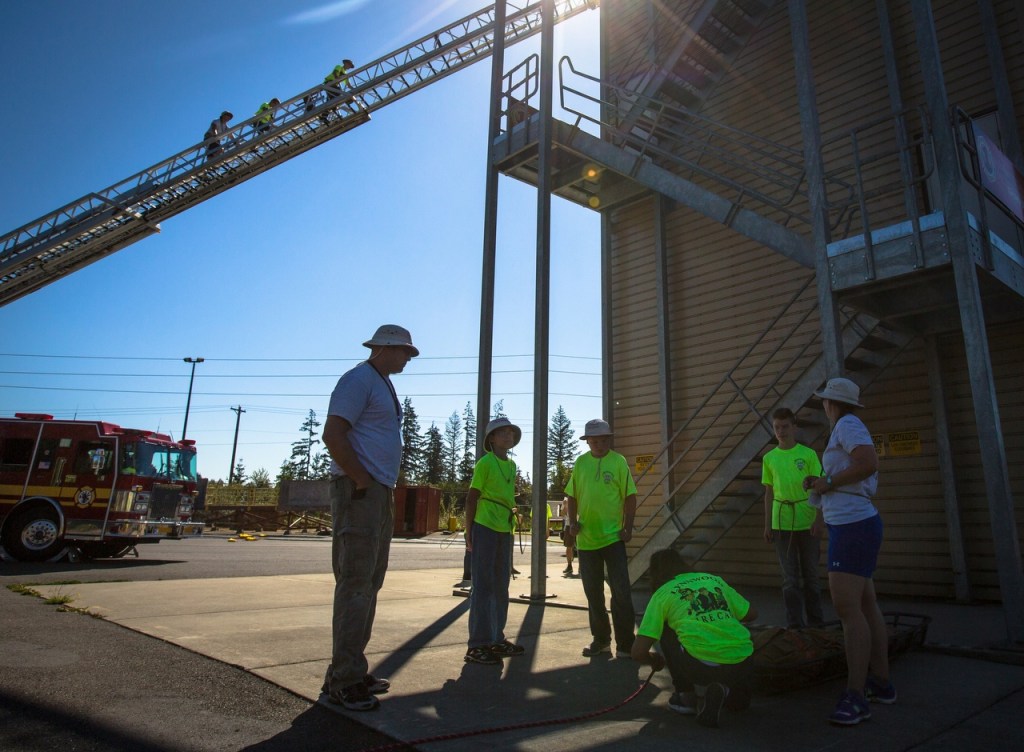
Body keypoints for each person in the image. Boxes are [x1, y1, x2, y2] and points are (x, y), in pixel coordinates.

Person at [320, 324, 418, 711]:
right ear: (384, 349)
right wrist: (361, 479)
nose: (408, 359)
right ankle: (344, 682)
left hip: (377, 492)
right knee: (356, 584)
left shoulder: (380, 382)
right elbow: (333, 434)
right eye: (404, 352)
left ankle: (350, 670)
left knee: (369, 584)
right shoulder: (358, 379)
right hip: (359, 491)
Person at [803, 377, 894, 726]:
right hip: (852, 524)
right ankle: (881, 683)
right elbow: (847, 475)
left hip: (855, 528)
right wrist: (820, 487)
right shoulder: (845, 426)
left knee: (847, 608)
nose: (823, 405)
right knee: (866, 605)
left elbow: (868, 462)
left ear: (831, 403)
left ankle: (856, 696)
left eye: (824, 401)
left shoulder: (847, 424)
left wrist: (829, 482)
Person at [631, 549, 757, 728]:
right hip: (743, 662)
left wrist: (654, 660)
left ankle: (686, 697)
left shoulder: (662, 593)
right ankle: (727, 692)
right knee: (739, 706)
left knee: (666, 628)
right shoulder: (713, 581)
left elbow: (638, 652)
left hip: (700, 667)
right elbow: (751, 614)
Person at [564, 419, 637, 658]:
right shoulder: (580, 463)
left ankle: (626, 644)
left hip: (614, 537)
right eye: (594, 441)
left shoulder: (618, 461)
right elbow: (571, 496)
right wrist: (572, 524)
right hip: (586, 540)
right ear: (587, 442)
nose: (599, 444)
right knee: (593, 593)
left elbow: (630, 496)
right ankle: (601, 641)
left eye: (603, 440)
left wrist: (628, 527)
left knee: (621, 592)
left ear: (609, 439)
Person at [463, 417, 526, 665]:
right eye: (502, 433)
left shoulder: (511, 466)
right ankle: (477, 645)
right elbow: (471, 497)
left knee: (501, 584)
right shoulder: (485, 463)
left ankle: (496, 638)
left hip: (504, 530)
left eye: (511, 432)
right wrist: (469, 532)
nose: (508, 436)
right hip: (485, 527)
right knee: (484, 585)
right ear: (491, 439)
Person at [761, 407, 825, 629]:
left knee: (811, 576)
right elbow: (769, 493)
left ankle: (817, 625)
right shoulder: (769, 458)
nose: (781, 431)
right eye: (777, 427)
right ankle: (795, 627)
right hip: (781, 524)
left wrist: (819, 519)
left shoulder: (808, 455)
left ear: (794, 427)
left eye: (785, 426)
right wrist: (768, 524)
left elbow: (820, 487)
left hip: (806, 521)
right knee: (789, 579)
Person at [560, 495, 576, 576]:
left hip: (581, 523)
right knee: (568, 546)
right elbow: (562, 514)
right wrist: (565, 506)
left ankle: (582, 568)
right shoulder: (565, 499)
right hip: (569, 525)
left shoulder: (581, 496)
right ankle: (569, 566)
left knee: (581, 546)